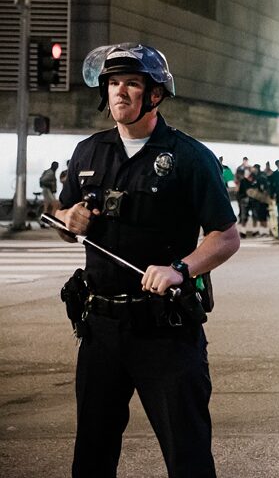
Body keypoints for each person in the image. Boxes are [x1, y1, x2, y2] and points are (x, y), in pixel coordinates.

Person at [54, 43, 239, 478]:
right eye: (113, 83)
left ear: (154, 94)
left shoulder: (190, 157)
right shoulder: (88, 152)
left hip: (166, 330)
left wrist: (180, 270)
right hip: (100, 327)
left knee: (186, 452)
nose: (120, 92)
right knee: (92, 453)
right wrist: (69, 219)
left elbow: (226, 237)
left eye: (131, 84)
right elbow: (62, 219)